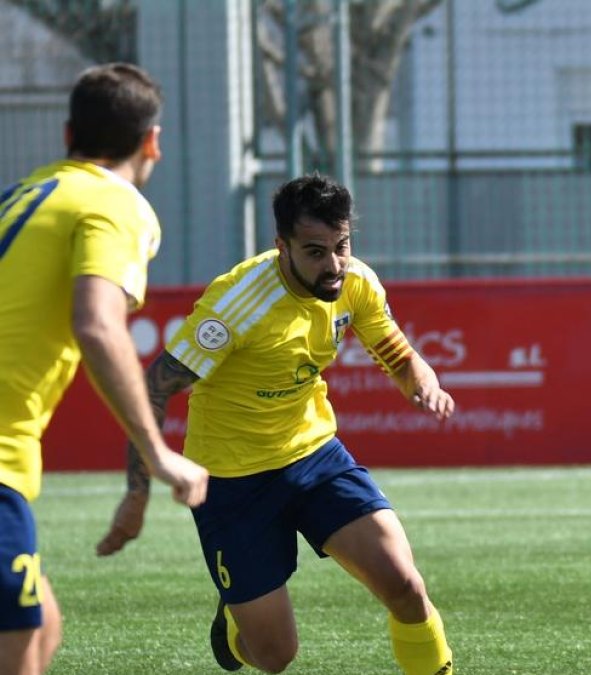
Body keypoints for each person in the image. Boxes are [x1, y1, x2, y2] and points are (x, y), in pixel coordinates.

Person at [94, 174, 456, 674]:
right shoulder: (237, 303)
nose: (333, 265)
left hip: (315, 457)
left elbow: (397, 353)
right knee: (274, 657)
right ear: (281, 245)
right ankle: (236, 618)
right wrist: (137, 493)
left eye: (342, 246)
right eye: (315, 251)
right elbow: (155, 385)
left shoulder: (356, 283)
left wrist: (423, 382)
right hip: (232, 483)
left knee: (406, 587)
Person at [0, 63, 210, 675]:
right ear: (152, 142)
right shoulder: (115, 203)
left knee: (42, 631)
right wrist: (156, 451)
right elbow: (97, 323)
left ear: (68, 134)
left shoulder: (25, 194)